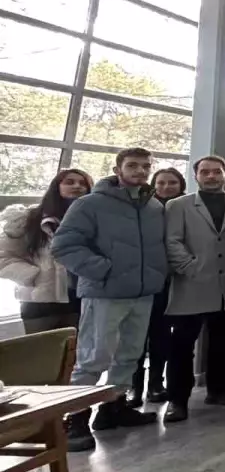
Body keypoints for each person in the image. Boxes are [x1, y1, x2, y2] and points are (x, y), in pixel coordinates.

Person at [52, 148, 167, 451]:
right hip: (104, 293)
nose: (140, 171)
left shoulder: (153, 206)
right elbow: (64, 245)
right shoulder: (90, 204)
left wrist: (157, 273)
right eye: (132, 165)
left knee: (129, 355)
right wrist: (102, 270)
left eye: (145, 166)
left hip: (143, 293)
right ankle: (76, 419)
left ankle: (113, 408)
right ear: (118, 169)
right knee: (93, 357)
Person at [160, 156, 225, 422]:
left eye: (217, 172)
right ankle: (177, 400)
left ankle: (219, 389)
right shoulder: (178, 205)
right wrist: (190, 267)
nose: (211, 176)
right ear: (196, 175)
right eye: (205, 172)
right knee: (182, 346)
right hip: (192, 284)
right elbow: (172, 241)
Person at [0, 168, 91, 335]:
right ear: (57, 186)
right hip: (40, 301)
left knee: (77, 349)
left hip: (82, 299)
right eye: (69, 182)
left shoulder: (94, 220)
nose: (77, 186)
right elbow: (3, 255)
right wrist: (32, 275)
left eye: (82, 183)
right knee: (42, 349)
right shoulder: (30, 218)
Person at [130, 168, 184, 408]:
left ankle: (155, 384)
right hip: (143, 279)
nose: (166, 187)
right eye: (161, 182)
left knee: (161, 336)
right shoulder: (143, 207)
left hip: (172, 280)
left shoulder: (185, 208)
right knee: (136, 337)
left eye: (172, 182)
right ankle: (134, 386)